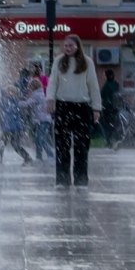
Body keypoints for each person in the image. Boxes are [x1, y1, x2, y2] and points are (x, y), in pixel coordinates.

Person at [47, 34, 102, 187]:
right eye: (66, 46)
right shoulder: (59, 61)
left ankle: (81, 179)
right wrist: (50, 99)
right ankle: (62, 179)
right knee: (62, 145)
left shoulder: (87, 62)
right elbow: (53, 81)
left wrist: (96, 107)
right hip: (63, 107)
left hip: (82, 108)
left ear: (77, 46)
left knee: (81, 146)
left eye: (71, 46)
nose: (68, 48)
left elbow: (93, 85)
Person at [0, 80, 32, 165]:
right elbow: (1, 101)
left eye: (11, 92)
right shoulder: (5, 101)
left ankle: (27, 157)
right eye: (8, 91)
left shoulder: (15, 102)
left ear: (14, 93)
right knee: (2, 144)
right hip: (7, 128)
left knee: (15, 145)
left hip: (14, 128)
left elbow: (11, 111)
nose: (9, 93)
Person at [100, 69, 125, 152]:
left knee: (106, 126)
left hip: (107, 109)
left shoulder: (106, 86)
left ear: (107, 76)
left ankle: (110, 142)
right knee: (115, 125)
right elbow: (120, 95)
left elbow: (102, 96)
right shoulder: (116, 84)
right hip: (115, 109)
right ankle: (117, 140)